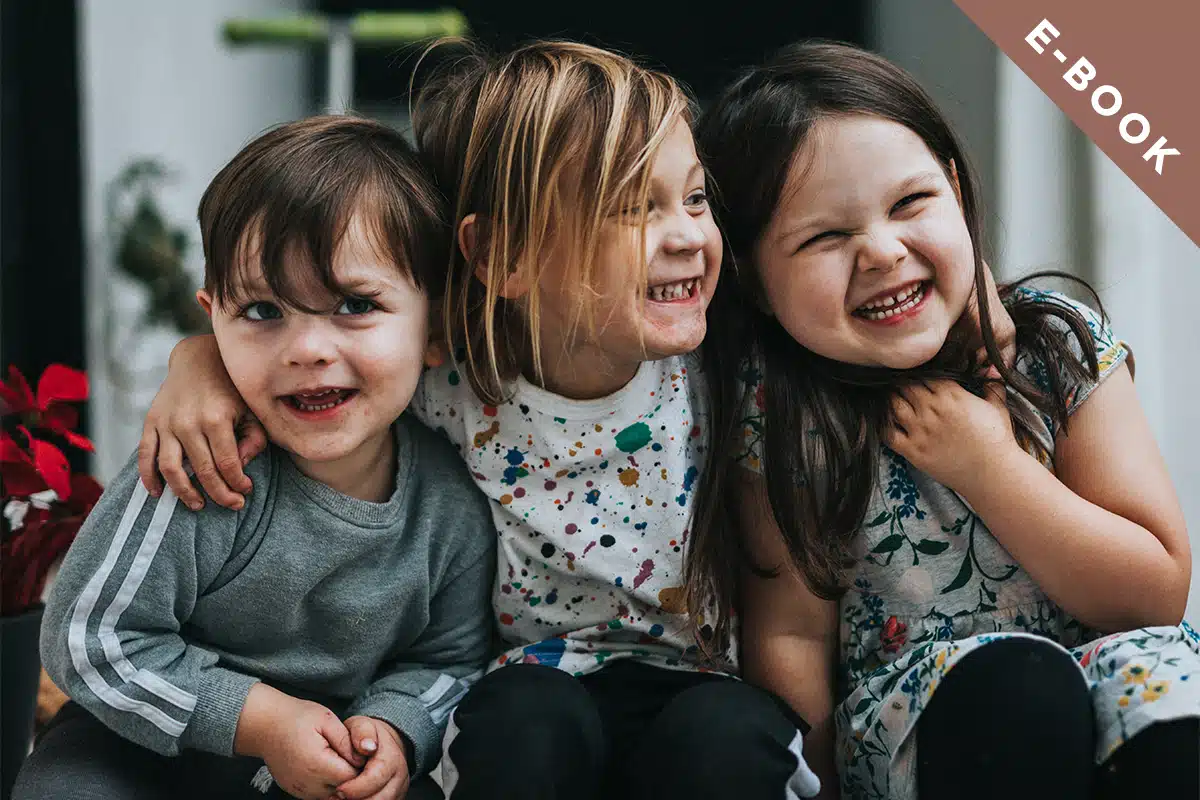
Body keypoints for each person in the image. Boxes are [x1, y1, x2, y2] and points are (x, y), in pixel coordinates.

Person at [128, 40, 821, 800]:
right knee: (525, 723)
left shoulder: (728, 366)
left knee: (730, 737)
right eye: (630, 208)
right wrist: (198, 364)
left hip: (699, 687)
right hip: (531, 690)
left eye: (693, 198)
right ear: (502, 255)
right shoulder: (454, 376)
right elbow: (332, 354)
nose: (688, 234)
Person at [694, 40, 1200, 800]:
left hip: (1101, 684)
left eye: (910, 204)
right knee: (1017, 684)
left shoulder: (1055, 351)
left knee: (1175, 691)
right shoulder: (787, 416)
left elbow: (1153, 596)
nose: (881, 250)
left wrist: (989, 467)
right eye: (825, 238)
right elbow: (790, 636)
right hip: (918, 719)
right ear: (755, 283)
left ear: (957, 193)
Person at [15, 115, 496, 800]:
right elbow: (89, 639)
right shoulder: (198, 466)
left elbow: (449, 660)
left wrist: (392, 725)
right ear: (212, 318)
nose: (306, 349)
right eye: (264, 311)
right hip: (147, 746)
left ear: (438, 327)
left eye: (355, 305)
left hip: (330, 756)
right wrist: (261, 720)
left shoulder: (450, 506)